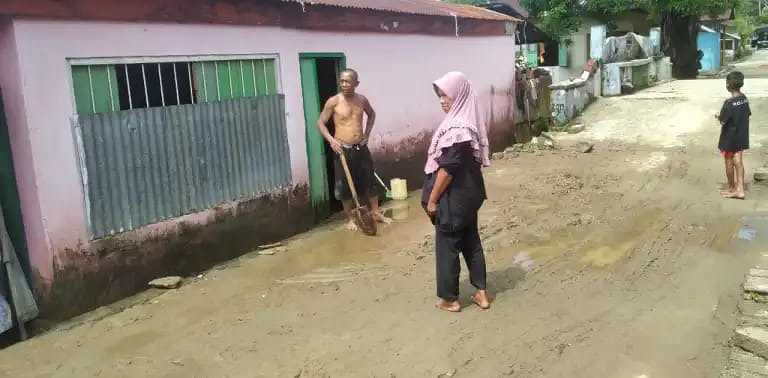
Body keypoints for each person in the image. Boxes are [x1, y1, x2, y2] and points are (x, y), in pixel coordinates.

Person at [422, 72, 491, 312]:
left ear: (459, 95)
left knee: (448, 247)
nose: (442, 100)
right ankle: (481, 293)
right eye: (439, 95)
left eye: (446, 95)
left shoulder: (457, 129)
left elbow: (448, 168)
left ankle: (449, 299)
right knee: (471, 241)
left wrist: (432, 200)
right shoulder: (466, 123)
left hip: (453, 199)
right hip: (469, 197)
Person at [316, 69, 391, 230]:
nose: (344, 84)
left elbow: (371, 115)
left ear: (356, 83)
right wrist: (331, 140)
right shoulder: (333, 102)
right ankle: (350, 219)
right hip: (342, 149)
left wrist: (367, 134)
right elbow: (320, 123)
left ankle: (376, 213)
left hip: (361, 147)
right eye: (342, 81)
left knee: (369, 180)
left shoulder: (362, 100)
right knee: (344, 186)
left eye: (348, 81)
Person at [716, 71, 751, 200]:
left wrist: (718, 117)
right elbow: (747, 114)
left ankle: (731, 188)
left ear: (728, 85)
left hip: (729, 137)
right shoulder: (744, 98)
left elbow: (723, 121)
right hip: (741, 134)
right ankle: (740, 189)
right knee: (739, 161)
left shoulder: (729, 103)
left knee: (729, 161)